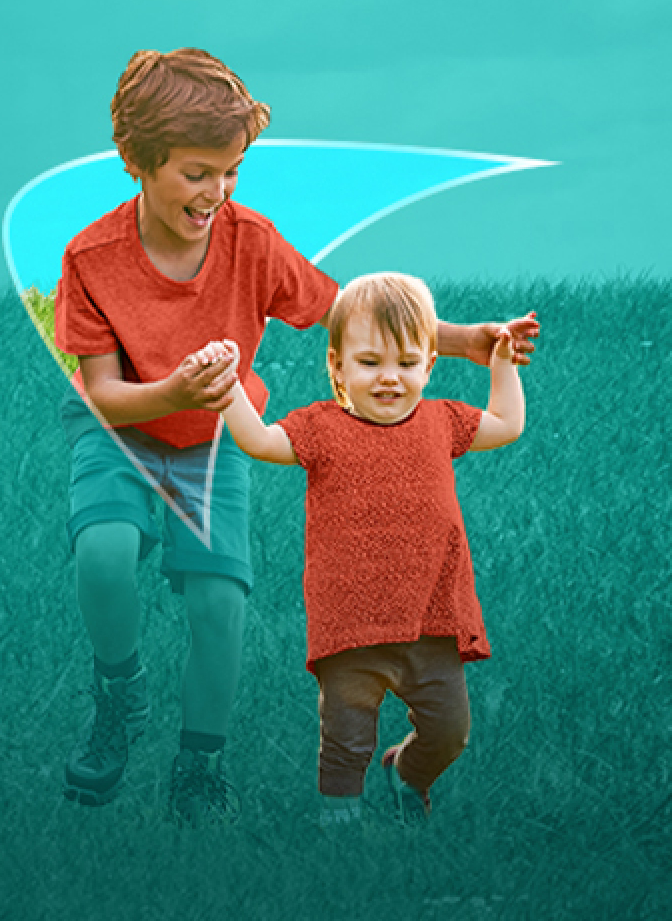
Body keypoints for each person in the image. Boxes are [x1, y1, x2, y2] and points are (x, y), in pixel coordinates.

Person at [54, 47, 538, 825]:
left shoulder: (251, 240)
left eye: (231, 172)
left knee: (220, 602)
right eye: (197, 172)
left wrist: (466, 341)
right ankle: (120, 696)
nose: (216, 192)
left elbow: (349, 312)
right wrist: (175, 390)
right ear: (137, 161)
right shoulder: (93, 257)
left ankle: (199, 764)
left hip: (214, 441)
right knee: (104, 551)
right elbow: (104, 392)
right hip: (122, 433)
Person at [190, 271, 525, 827]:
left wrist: (503, 365)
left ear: (429, 366)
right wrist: (228, 390)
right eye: (369, 363)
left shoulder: (443, 421)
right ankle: (338, 826)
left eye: (405, 363)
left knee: (450, 730)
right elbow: (260, 441)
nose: (389, 378)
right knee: (346, 736)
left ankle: (405, 776)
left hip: (432, 621)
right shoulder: (321, 428)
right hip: (350, 625)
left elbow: (507, 424)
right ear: (338, 365)